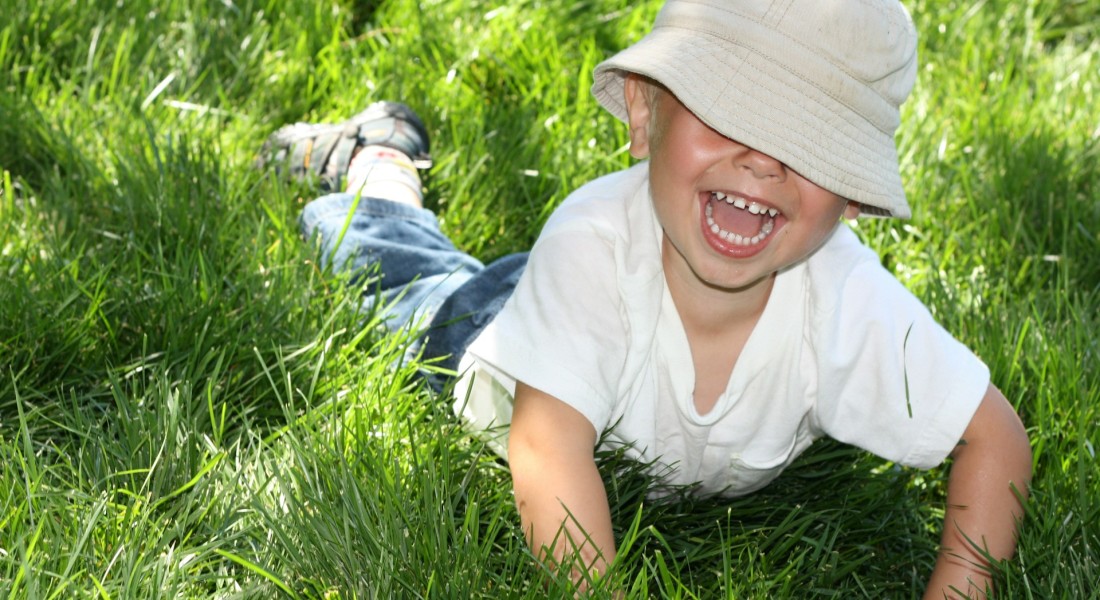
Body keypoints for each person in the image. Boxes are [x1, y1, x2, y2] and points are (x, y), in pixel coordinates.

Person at [260, 1, 1032, 597]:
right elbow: (544, 447)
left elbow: (995, 440)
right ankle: (375, 164)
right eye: (731, 112)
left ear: (854, 200)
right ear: (643, 112)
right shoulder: (590, 245)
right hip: (488, 335)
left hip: (598, 313)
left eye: (810, 143)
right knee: (399, 269)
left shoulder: (849, 300)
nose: (761, 160)